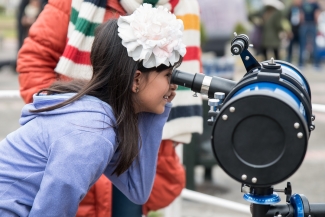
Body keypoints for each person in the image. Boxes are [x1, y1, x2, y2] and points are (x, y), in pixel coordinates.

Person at [16, 0, 202, 216]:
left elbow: (138, 192)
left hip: (127, 137)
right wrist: (63, 119)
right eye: (168, 76)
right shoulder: (90, 134)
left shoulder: (101, 128)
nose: (174, 86)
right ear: (136, 80)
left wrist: (157, 110)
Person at [299, 0, 321, 68]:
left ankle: (301, 63)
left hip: (306, 24)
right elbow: (316, 15)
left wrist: (302, 23)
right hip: (311, 24)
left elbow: (301, 15)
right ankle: (315, 64)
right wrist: (317, 24)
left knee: (303, 44)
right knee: (313, 44)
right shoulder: (314, 4)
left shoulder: (304, 3)